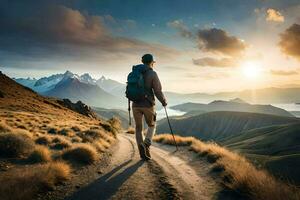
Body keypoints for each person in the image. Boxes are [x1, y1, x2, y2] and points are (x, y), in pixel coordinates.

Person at [132, 54, 167, 160]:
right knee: (152, 125)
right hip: (148, 104)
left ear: (143, 62)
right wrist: (163, 101)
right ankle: (146, 143)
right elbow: (157, 91)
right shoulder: (153, 73)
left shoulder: (135, 72)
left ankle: (140, 147)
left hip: (135, 105)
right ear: (152, 62)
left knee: (138, 128)